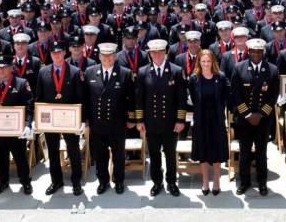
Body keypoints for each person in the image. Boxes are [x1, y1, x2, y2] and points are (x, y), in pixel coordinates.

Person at [135, 39, 187, 197]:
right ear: (149, 54)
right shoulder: (143, 71)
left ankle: (171, 181)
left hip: (170, 123)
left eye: (160, 52)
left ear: (166, 52)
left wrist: (180, 120)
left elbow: (181, 98)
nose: (157, 55)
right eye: (153, 52)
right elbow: (139, 99)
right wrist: (140, 121)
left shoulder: (176, 71)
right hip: (151, 123)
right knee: (154, 154)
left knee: (170, 154)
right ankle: (157, 182)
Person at [35, 40, 86, 196]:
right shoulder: (43, 72)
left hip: (69, 119)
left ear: (65, 53)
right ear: (50, 54)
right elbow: (39, 97)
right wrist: (38, 119)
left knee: (73, 150)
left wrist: (82, 120)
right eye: (53, 53)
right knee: (52, 151)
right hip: (50, 120)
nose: (56, 55)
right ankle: (56, 181)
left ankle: (76, 182)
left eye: (59, 52)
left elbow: (80, 98)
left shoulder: (75, 72)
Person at [83, 43, 135, 195]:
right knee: (100, 155)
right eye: (104, 55)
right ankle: (103, 181)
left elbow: (131, 98)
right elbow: (86, 98)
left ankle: (118, 181)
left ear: (115, 56)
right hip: (97, 124)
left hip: (117, 123)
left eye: (110, 55)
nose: (107, 58)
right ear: (99, 56)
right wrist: (85, 120)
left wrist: (131, 118)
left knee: (118, 155)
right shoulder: (90, 72)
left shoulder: (124, 73)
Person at [0, 55, 34, 196]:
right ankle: (2, 182)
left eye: (5, 67)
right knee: (0, 155)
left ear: (11, 68)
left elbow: (28, 106)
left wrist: (28, 125)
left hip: (16, 129)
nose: (1, 70)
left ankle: (25, 181)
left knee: (20, 156)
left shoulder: (21, 83)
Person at [232, 38, 280, 196]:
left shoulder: (272, 69)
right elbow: (236, 94)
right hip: (245, 119)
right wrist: (247, 114)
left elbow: (274, 95)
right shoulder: (239, 68)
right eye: (253, 51)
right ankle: (244, 182)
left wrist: (260, 114)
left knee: (261, 151)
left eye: (259, 51)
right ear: (248, 52)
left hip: (263, 119)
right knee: (244, 152)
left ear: (263, 52)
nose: (256, 54)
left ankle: (262, 182)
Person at [188, 50, 229, 196]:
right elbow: (193, 98)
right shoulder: (194, 79)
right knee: (203, 153)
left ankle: (216, 181)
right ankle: (205, 181)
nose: (206, 64)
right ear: (199, 62)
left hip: (216, 121)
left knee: (217, 153)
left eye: (208, 61)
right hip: (201, 121)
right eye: (203, 61)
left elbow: (225, 97)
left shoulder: (221, 77)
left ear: (213, 62)